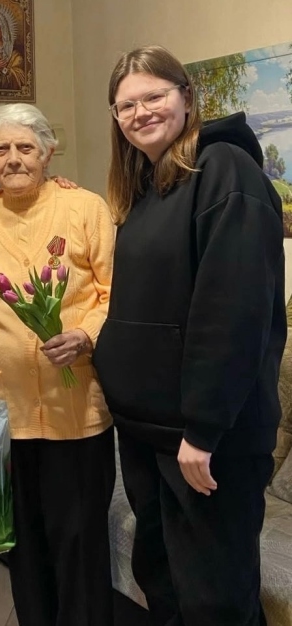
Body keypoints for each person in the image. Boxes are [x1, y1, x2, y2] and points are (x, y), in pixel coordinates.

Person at [93, 45, 286, 626]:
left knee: (214, 601)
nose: (141, 112)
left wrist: (203, 431)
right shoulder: (147, 188)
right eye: (127, 105)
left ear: (186, 96)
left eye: (154, 96)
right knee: (166, 589)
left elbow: (232, 313)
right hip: (148, 433)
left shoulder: (226, 171)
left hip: (206, 441)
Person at [0, 103, 116, 626]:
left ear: (48, 152)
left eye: (25, 147)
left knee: (80, 549)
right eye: (1, 149)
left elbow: (114, 293)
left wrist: (85, 335)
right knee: (22, 551)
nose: (14, 158)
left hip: (77, 413)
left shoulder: (86, 208)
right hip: (4, 415)